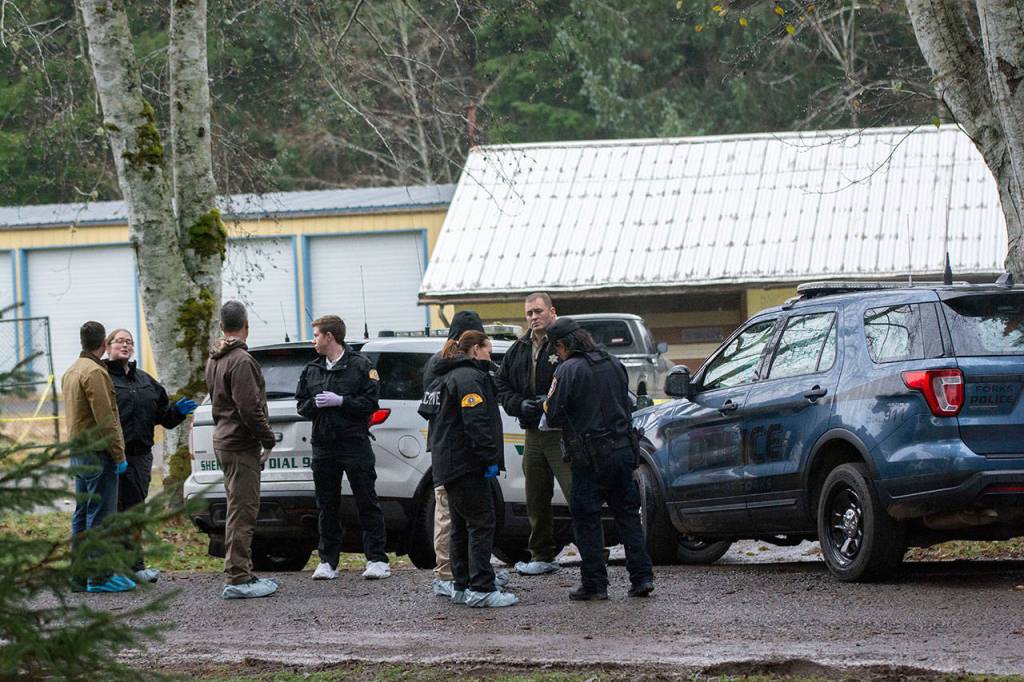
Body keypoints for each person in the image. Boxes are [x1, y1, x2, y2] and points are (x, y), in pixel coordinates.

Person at [543, 317, 655, 601]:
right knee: (628, 516)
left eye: (556, 349)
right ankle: (642, 578)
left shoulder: (567, 370)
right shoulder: (613, 363)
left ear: (562, 345)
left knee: (587, 519)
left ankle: (595, 584)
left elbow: (553, 413)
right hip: (622, 451)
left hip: (589, 457)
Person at [419, 311, 510, 597]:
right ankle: (475, 583)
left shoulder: (444, 367)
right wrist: (488, 459)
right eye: (487, 349)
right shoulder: (464, 375)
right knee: (473, 521)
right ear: (474, 345)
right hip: (464, 458)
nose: (490, 358)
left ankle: (462, 581)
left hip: (447, 455)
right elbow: (475, 422)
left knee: (458, 522)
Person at [295, 315, 390, 581]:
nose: (313, 340)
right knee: (326, 505)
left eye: (316, 335)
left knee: (366, 500)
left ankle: (377, 559)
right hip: (323, 446)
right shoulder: (312, 369)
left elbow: (371, 402)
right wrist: (316, 404)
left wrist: (341, 401)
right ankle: (327, 561)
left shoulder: (360, 365)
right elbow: (301, 405)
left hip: (354, 443)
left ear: (329, 336)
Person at [104, 328, 197, 584]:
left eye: (129, 342)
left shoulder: (146, 381)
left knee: (135, 512)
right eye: (119, 341)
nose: (125, 345)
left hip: (139, 457)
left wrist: (176, 411)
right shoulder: (102, 379)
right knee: (110, 512)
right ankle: (107, 568)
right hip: (110, 456)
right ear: (107, 346)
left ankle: (135, 566)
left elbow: (163, 418)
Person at [205, 300, 278, 599]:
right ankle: (238, 578)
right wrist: (267, 438)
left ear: (222, 326)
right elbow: (249, 407)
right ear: (246, 325)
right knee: (243, 510)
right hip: (240, 443)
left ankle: (240, 571)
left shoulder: (215, 359)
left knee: (237, 507)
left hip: (224, 439)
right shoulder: (241, 361)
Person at [494, 292, 569, 575]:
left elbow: (577, 378)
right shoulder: (519, 349)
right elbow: (502, 386)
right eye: (529, 313)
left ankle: (592, 552)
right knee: (536, 496)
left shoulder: (565, 342)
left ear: (552, 311)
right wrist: (519, 404)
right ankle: (542, 554)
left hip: (563, 431)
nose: (534, 317)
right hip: (533, 432)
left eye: (538, 311)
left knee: (577, 493)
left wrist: (549, 403)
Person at [63, 321, 132, 593]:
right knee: (101, 516)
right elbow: (106, 420)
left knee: (81, 515)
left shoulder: (72, 371)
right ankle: (100, 576)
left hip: (78, 453)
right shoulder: (95, 372)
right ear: (104, 344)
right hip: (97, 453)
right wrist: (118, 454)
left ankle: (79, 575)